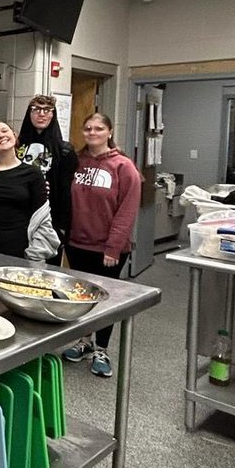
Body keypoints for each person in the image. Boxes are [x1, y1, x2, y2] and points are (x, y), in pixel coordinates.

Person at [62, 113, 142, 378]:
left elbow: (127, 210)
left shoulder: (123, 166)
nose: (92, 132)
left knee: (105, 301)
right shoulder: (78, 162)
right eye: (88, 128)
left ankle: (102, 349)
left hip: (108, 249)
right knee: (82, 297)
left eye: (98, 128)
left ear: (109, 132)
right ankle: (85, 341)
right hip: (77, 243)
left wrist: (113, 247)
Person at [0, 122, 59, 260]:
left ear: (14, 135)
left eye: (4, 131)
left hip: (23, 249)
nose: (1, 136)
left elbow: (42, 217)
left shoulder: (33, 172)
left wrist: (35, 253)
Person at [16, 93, 77, 260]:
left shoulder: (65, 151)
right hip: (20, 217)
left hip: (50, 219)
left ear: (53, 114)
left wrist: (63, 227)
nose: (41, 114)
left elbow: (66, 192)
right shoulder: (16, 146)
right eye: (36, 109)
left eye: (47, 110)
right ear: (29, 114)